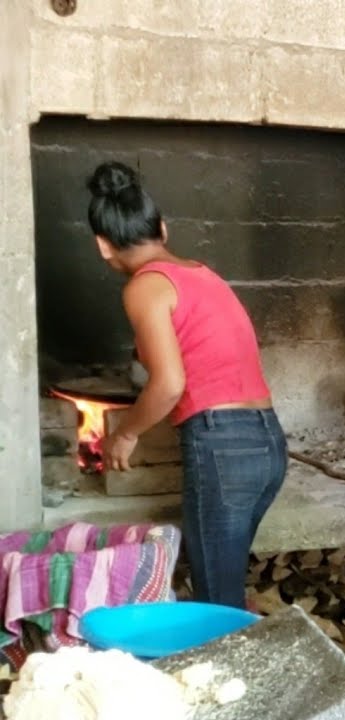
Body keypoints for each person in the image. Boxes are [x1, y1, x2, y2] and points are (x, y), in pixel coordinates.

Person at [88, 161, 286, 610]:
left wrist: (126, 432)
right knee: (225, 588)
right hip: (269, 443)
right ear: (162, 226)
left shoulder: (144, 287)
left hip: (224, 449)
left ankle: (228, 675)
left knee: (216, 603)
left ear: (103, 245)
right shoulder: (202, 273)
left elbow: (170, 383)